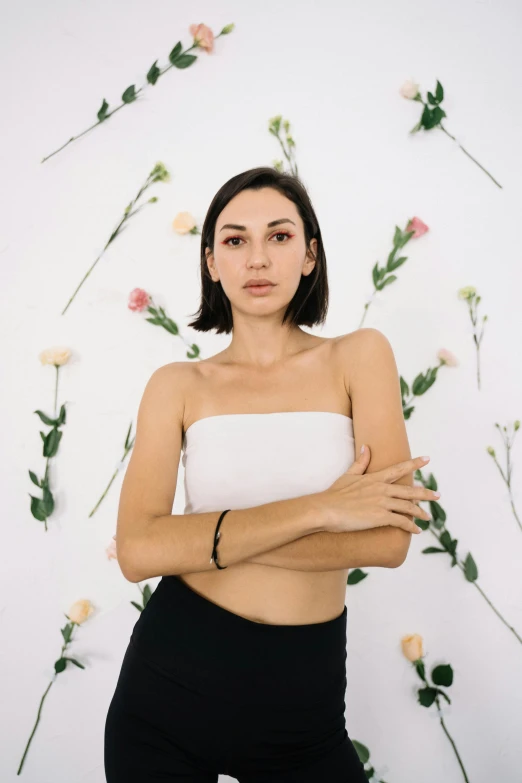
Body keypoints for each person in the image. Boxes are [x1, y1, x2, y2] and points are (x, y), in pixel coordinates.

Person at [104, 166, 434, 781]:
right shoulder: (177, 385)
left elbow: (389, 541)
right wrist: (322, 508)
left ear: (310, 254)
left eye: (279, 237)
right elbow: (138, 553)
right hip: (166, 693)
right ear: (211, 262)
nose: (258, 258)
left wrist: (201, 540)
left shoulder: (359, 356)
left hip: (303, 714)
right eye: (235, 240)